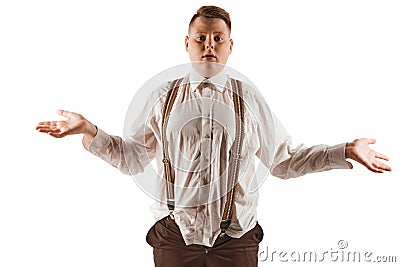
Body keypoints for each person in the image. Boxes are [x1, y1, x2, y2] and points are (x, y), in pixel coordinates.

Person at [36, 5, 391, 267]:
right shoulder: (163, 98)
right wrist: (88, 130)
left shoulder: (248, 99)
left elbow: (283, 161)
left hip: (235, 241)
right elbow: (132, 158)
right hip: (176, 237)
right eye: (202, 38)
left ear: (230, 46)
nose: (209, 45)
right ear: (187, 43)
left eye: (217, 39)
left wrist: (343, 150)